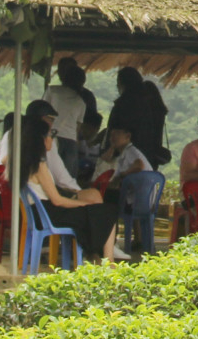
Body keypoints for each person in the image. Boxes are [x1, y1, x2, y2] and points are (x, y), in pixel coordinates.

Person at [21, 129, 120, 264]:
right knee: (108, 211)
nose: (53, 140)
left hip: (40, 212)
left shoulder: (27, 162)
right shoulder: (39, 165)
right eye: (51, 136)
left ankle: (95, 255)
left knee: (99, 211)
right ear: (42, 140)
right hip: (49, 214)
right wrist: (85, 204)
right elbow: (57, 200)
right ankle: (108, 261)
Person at [107, 67, 172, 169]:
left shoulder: (125, 104)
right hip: (151, 156)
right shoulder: (153, 107)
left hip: (127, 157)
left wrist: (109, 150)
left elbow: (116, 130)